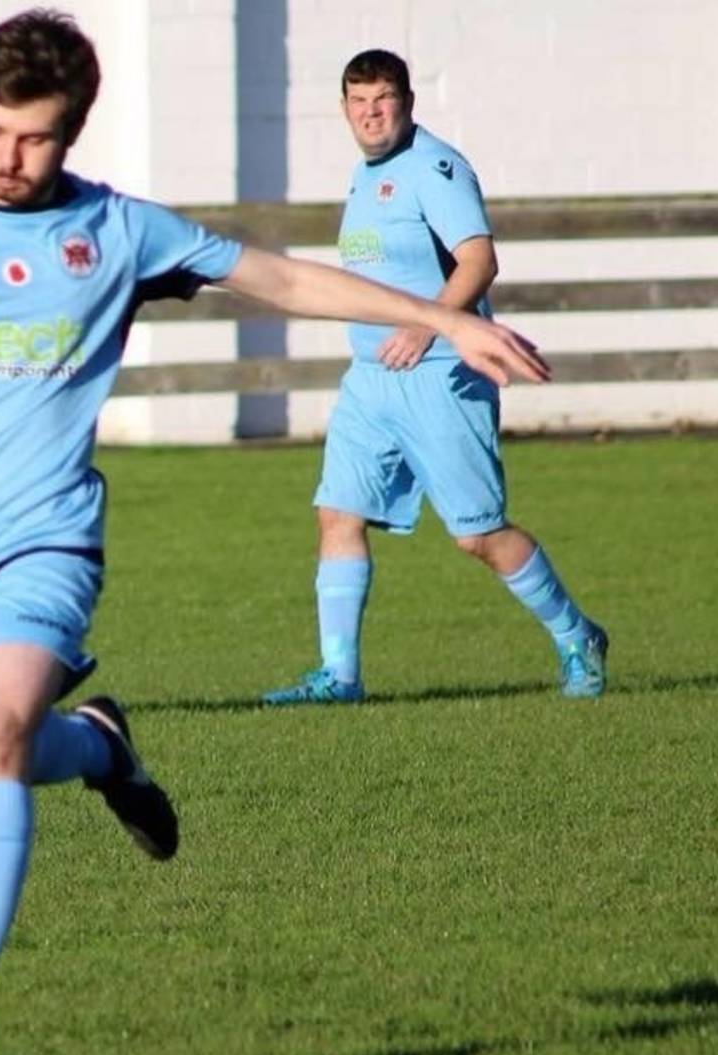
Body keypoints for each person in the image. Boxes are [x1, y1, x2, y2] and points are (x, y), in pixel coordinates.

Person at [0, 12, 548, 1055]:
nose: (5, 157)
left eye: (30, 138)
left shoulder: (117, 233)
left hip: (46, 544)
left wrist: (445, 320)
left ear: (71, 131)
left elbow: (286, 279)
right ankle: (105, 748)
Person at [263, 48, 607, 708]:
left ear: (408, 102)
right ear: (343, 110)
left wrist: (429, 325)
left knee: (477, 533)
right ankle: (339, 677)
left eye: (383, 99)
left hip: (441, 373)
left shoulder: (436, 168)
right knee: (338, 515)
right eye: (359, 102)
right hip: (370, 379)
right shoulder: (364, 177)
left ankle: (577, 635)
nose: (372, 113)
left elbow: (479, 262)